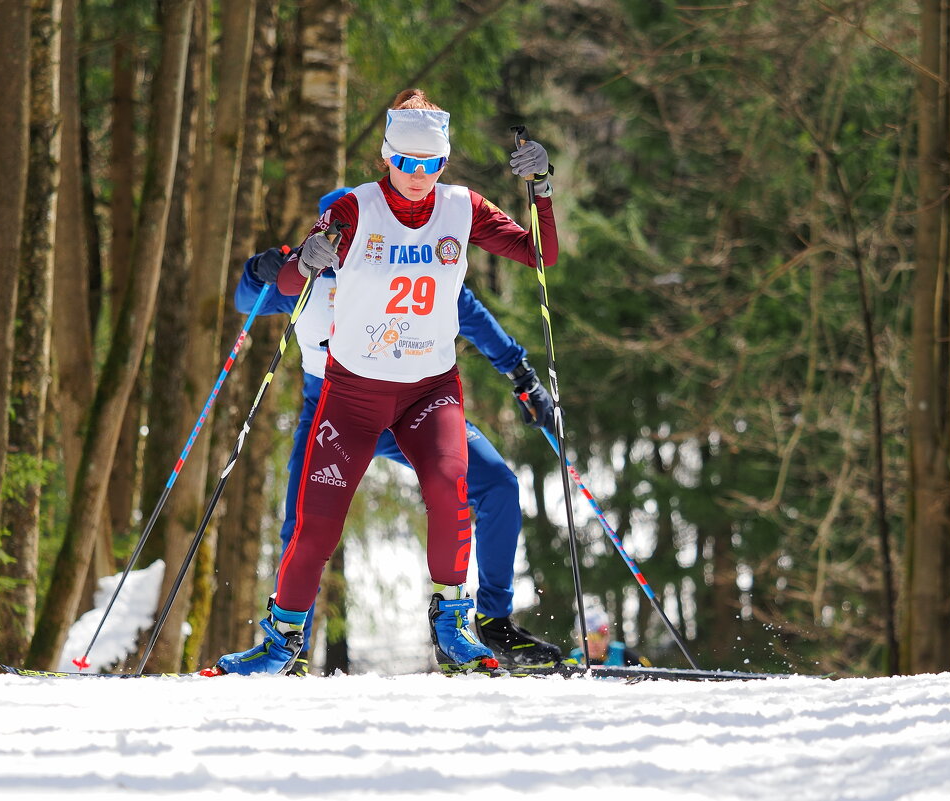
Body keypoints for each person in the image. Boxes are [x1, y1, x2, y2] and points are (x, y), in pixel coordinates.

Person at [211, 87, 559, 676]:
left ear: (444, 161)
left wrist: (542, 188)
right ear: (385, 158)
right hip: (347, 397)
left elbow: (528, 266)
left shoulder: (461, 209)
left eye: (430, 163)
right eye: (405, 161)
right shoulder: (351, 213)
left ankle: (461, 626)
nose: (417, 175)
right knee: (313, 523)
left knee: (459, 489)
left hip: (428, 391)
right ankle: (281, 642)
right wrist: (290, 263)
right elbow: (272, 289)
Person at [568, 607, 652, 668]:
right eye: (587, 638)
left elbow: (652, 675)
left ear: (607, 636)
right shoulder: (573, 659)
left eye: (598, 637)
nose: (593, 643)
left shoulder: (623, 654)